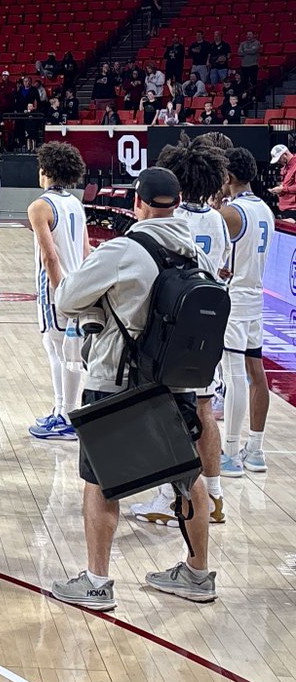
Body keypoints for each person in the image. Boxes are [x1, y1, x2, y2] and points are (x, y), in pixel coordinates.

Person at [51, 167, 218, 610]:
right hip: (177, 384)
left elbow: (66, 298)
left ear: (137, 202)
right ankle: (197, 574)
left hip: (117, 383)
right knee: (189, 476)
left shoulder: (124, 249)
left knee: (101, 482)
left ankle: (96, 582)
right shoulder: (195, 255)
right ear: (177, 203)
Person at [129, 137, 230, 526]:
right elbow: (223, 269)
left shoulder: (169, 222)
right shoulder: (218, 219)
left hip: (172, 328)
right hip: (207, 325)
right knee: (205, 411)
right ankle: (214, 493)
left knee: (166, 416)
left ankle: (170, 495)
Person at [24, 143, 89, 441]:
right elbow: (86, 250)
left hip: (56, 288)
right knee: (65, 351)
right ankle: (63, 410)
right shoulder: (75, 202)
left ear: (45, 171)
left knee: (60, 351)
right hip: (78, 282)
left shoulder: (40, 206)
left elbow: (49, 257)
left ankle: (66, 415)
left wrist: (58, 289)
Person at [218, 148, 273, 478]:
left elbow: (217, 255)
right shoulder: (265, 209)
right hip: (256, 298)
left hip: (235, 300)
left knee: (233, 375)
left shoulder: (230, 213)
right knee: (256, 372)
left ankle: (230, 452)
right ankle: (255, 450)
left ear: (228, 177)